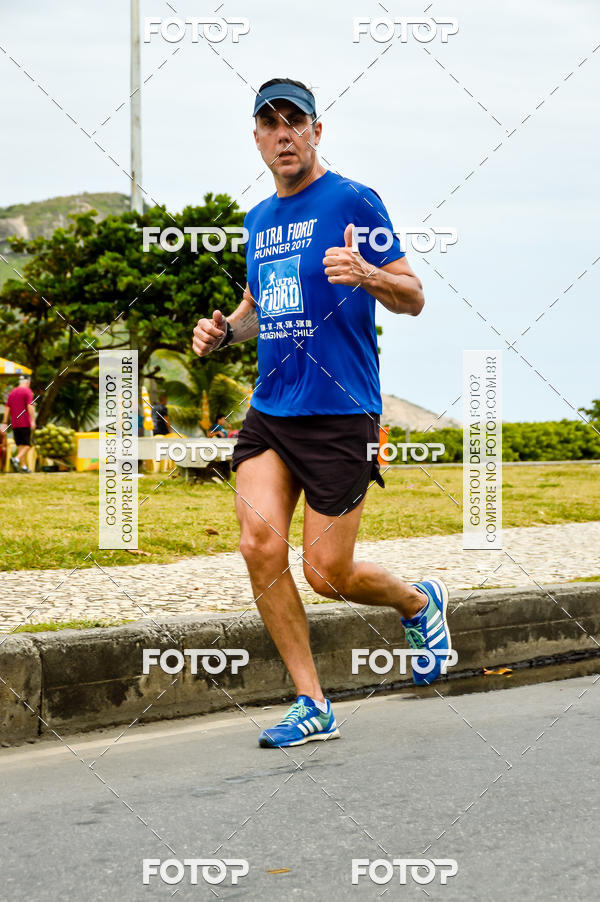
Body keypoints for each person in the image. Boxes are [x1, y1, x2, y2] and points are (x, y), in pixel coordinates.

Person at [192, 78, 452, 749]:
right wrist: (225, 334)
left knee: (327, 573)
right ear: (255, 137)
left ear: (315, 131)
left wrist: (369, 275)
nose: (282, 135)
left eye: (294, 122)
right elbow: (259, 312)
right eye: (269, 124)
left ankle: (418, 603)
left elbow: (413, 296)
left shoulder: (353, 201)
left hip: (341, 410)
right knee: (259, 546)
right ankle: (312, 701)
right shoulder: (257, 222)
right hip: (273, 408)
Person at [2, 375, 35, 473]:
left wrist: (5, 421)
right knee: (28, 445)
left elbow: (7, 407)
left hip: (15, 423)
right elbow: (30, 406)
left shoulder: (12, 392)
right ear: (28, 382)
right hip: (24, 422)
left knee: (21, 445)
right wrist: (32, 420)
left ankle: (23, 467)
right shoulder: (27, 391)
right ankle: (16, 459)